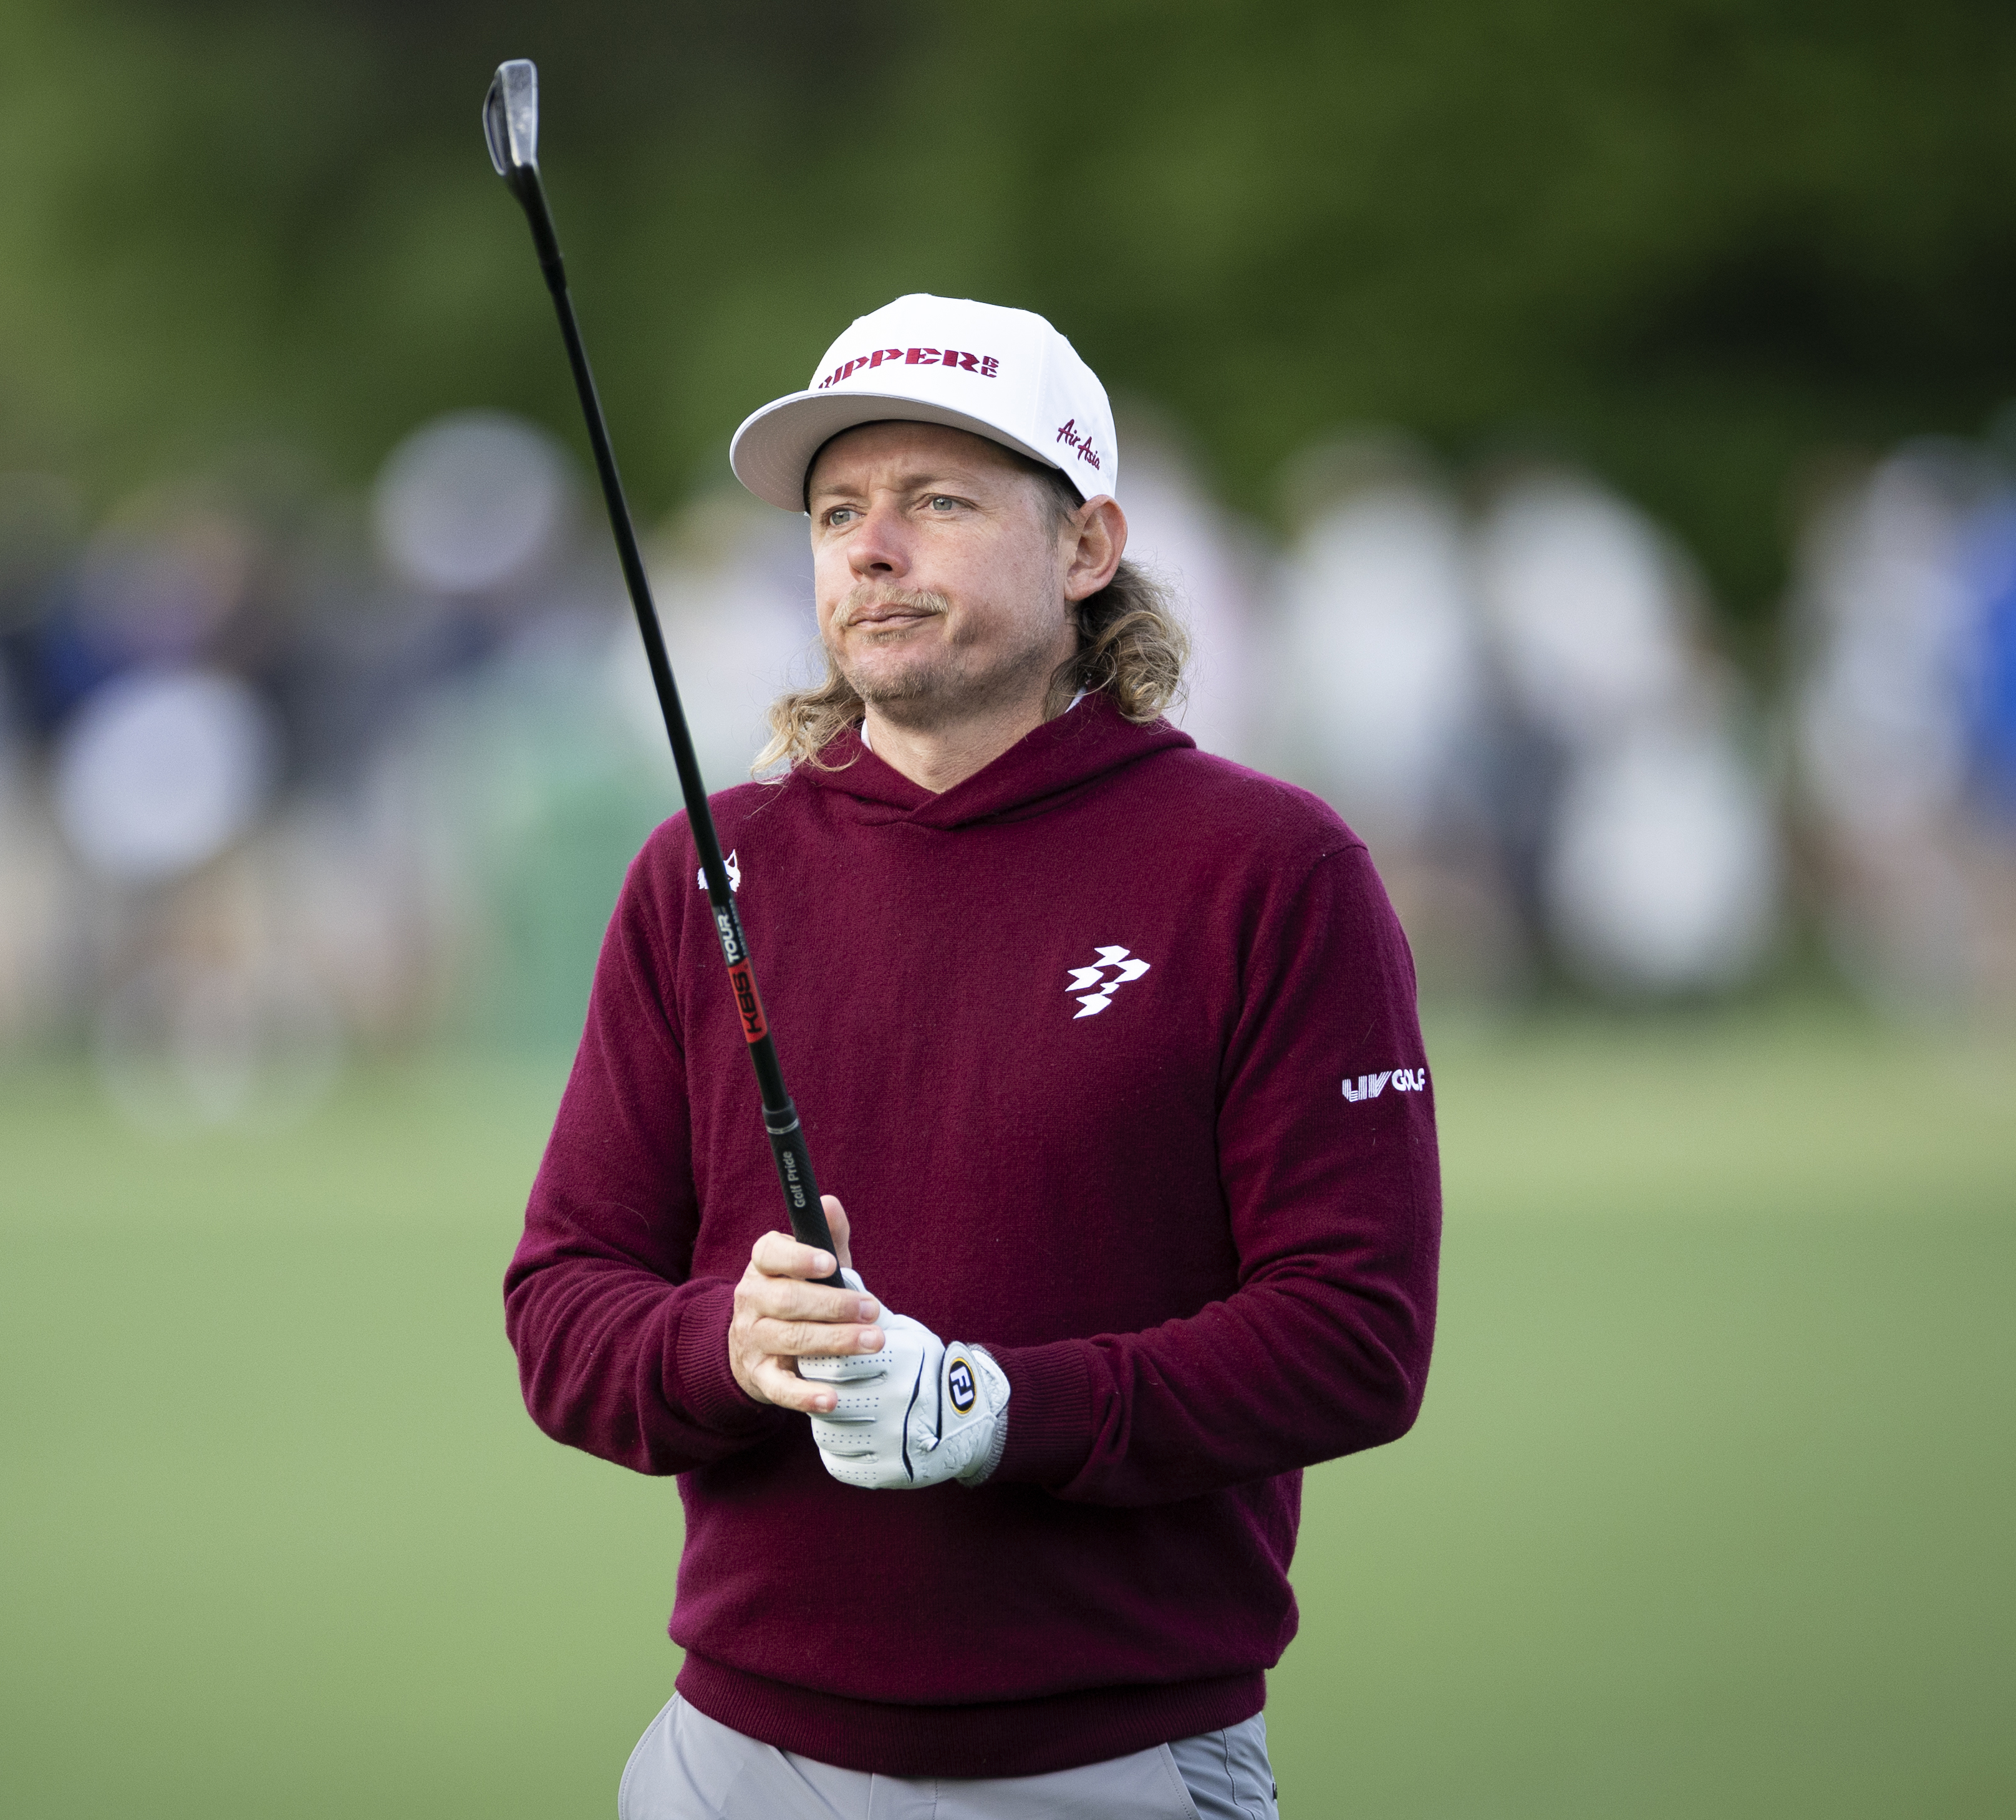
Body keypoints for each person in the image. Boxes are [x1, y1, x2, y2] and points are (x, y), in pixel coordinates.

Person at [503, 294, 1442, 1819]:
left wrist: (999, 1409)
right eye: (837, 513)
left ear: (1085, 548)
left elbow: (1354, 1334)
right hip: (736, 1761)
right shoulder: (702, 869)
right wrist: (725, 1346)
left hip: (1115, 1763)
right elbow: (562, 1305)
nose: (873, 548)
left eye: (937, 501)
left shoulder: (1271, 868)